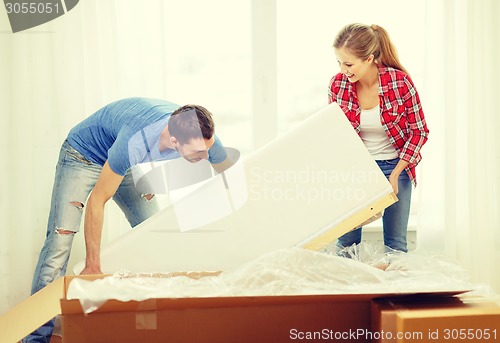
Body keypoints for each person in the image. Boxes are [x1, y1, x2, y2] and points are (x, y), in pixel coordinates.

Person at [24, 97, 232, 343]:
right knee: (59, 244)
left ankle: (151, 323)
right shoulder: (135, 142)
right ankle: (35, 338)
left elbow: (230, 176)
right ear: (174, 141)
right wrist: (92, 265)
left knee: (152, 232)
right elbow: (97, 200)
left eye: (207, 149)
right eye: (199, 153)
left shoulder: (203, 138)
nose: (207, 155)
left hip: (120, 163)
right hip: (82, 155)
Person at [328, 23, 429, 254]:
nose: (343, 70)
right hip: (358, 170)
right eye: (339, 62)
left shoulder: (400, 82)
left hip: (397, 166)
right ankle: (349, 289)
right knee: (346, 245)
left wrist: (395, 174)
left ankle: (391, 290)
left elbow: (419, 131)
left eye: (349, 64)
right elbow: (336, 134)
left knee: (395, 246)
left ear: (370, 58)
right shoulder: (338, 85)